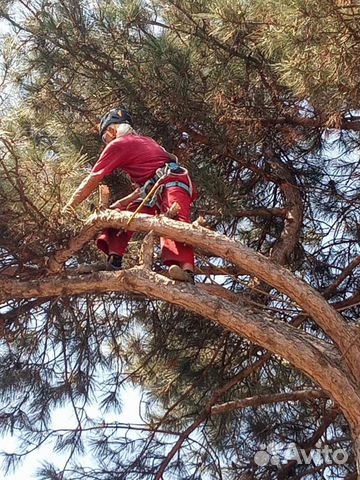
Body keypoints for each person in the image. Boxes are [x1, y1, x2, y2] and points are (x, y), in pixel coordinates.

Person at [63, 108, 197, 283]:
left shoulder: (119, 144)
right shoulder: (145, 141)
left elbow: (94, 178)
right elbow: (140, 190)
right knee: (118, 213)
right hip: (154, 189)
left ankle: (186, 272)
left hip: (172, 182)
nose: (106, 141)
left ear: (112, 130)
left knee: (176, 221)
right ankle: (114, 260)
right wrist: (118, 205)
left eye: (105, 137)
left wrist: (67, 209)